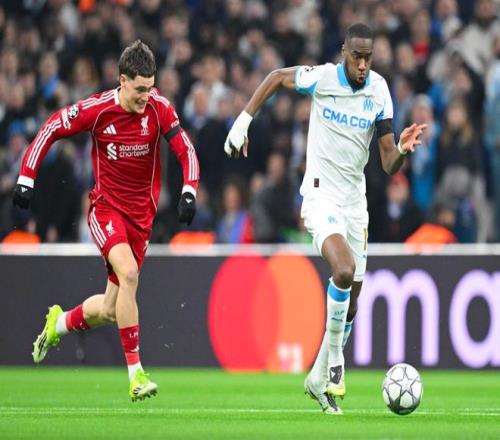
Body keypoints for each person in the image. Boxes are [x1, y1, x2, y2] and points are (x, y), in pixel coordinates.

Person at [224, 23, 426, 415]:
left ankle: (317, 381)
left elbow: (387, 163)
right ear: (344, 53)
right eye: (357, 57)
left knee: (351, 304)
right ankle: (335, 363)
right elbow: (276, 77)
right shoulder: (323, 78)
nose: (363, 65)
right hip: (320, 195)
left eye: (368, 58)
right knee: (343, 269)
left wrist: (402, 149)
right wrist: (243, 121)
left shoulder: (379, 90)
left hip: (354, 204)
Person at [12, 40, 200, 401]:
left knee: (113, 309)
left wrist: (189, 190)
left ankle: (59, 323)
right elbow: (52, 127)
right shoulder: (98, 110)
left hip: (141, 220)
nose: (146, 96)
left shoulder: (159, 108)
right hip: (106, 210)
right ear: (122, 80)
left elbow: (186, 150)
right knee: (128, 273)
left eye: (151, 87)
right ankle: (136, 375)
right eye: (140, 88)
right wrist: (26, 177)